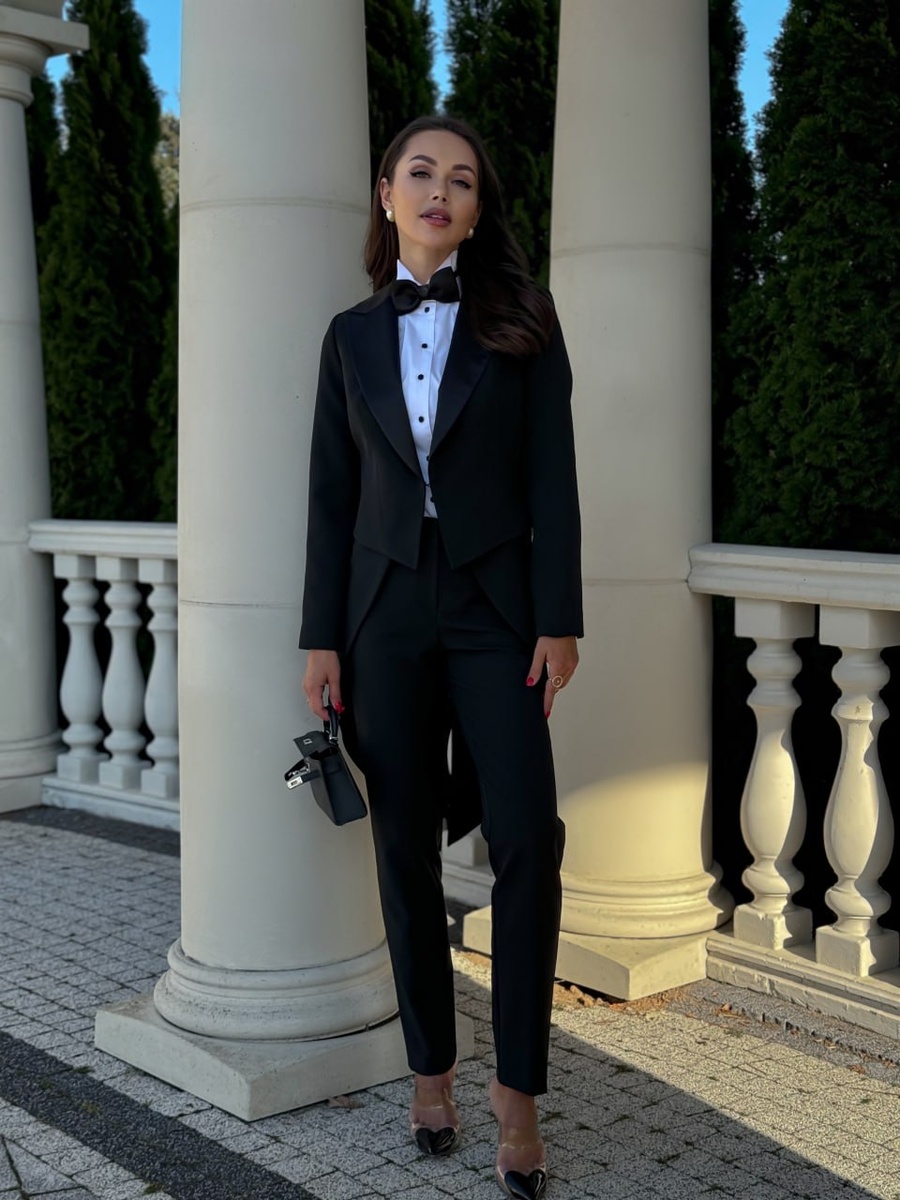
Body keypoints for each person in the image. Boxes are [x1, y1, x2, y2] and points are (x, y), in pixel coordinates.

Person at [300, 115, 582, 1200]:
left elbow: (553, 478)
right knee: (403, 847)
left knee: (528, 838)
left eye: (461, 180)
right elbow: (330, 499)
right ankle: (431, 1071)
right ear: (387, 193)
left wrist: (559, 617)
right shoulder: (348, 337)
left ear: (475, 209)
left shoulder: (524, 321)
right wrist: (322, 637)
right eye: (421, 173)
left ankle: (519, 1093)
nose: (439, 191)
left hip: (495, 608)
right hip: (382, 614)